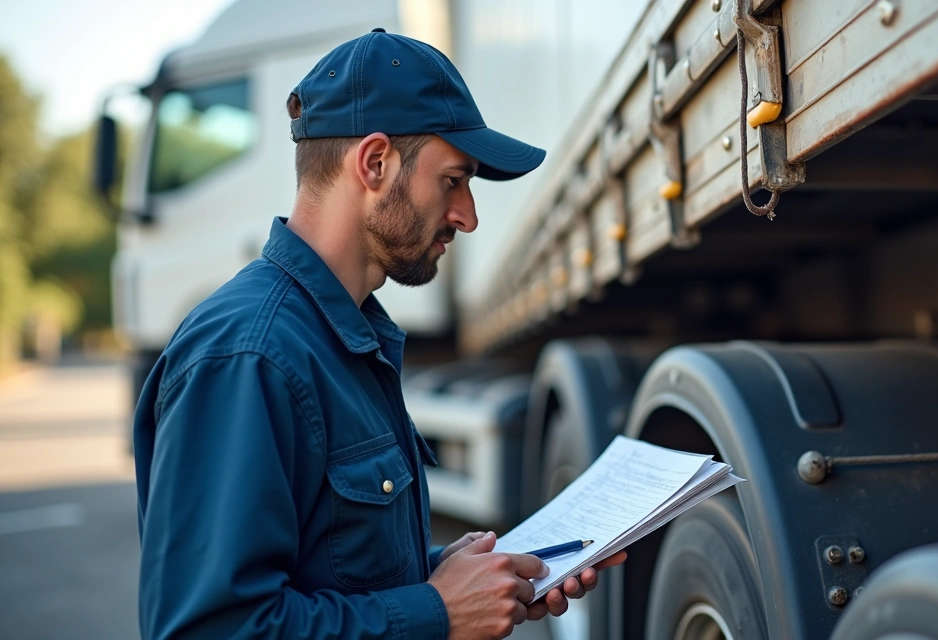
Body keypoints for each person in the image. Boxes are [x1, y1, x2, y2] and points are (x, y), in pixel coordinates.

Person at [132, 29, 625, 640]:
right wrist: (437, 612)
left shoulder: (343, 337)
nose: (468, 216)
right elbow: (209, 630)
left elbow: (325, 569)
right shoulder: (248, 357)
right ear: (373, 162)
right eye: (453, 180)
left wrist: (458, 577)